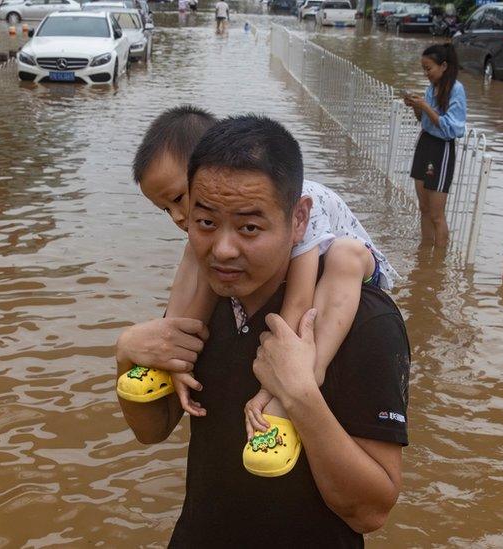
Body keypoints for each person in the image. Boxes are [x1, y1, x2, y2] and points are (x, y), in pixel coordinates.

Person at [116, 115, 410, 546]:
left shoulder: (363, 322)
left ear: (299, 220)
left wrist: (300, 396)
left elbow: (372, 510)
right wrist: (126, 354)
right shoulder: (209, 297)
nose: (223, 249)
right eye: (204, 222)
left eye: (249, 227)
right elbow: (152, 430)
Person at [403, 44, 466, 247]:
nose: (426, 73)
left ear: (444, 66)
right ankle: (425, 256)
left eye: (429, 68)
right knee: (424, 208)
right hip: (425, 143)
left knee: (437, 214)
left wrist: (426, 107)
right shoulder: (432, 88)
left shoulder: (456, 90)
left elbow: (452, 128)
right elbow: (425, 121)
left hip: (441, 149)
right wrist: (416, 107)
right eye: (424, 69)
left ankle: (438, 265)